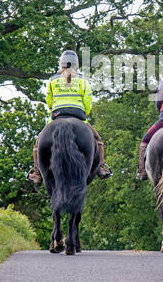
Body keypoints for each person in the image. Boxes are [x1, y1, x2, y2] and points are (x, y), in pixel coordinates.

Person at [27, 50, 112, 184]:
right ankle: (101, 167)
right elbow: (88, 99)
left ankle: (37, 173)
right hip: (79, 116)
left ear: (61, 64)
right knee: (98, 140)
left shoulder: (53, 79)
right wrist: (86, 112)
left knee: (38, 145)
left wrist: (53, 109)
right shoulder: (82, 80)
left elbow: (48, 98)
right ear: (76, 65)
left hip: (57, 115)